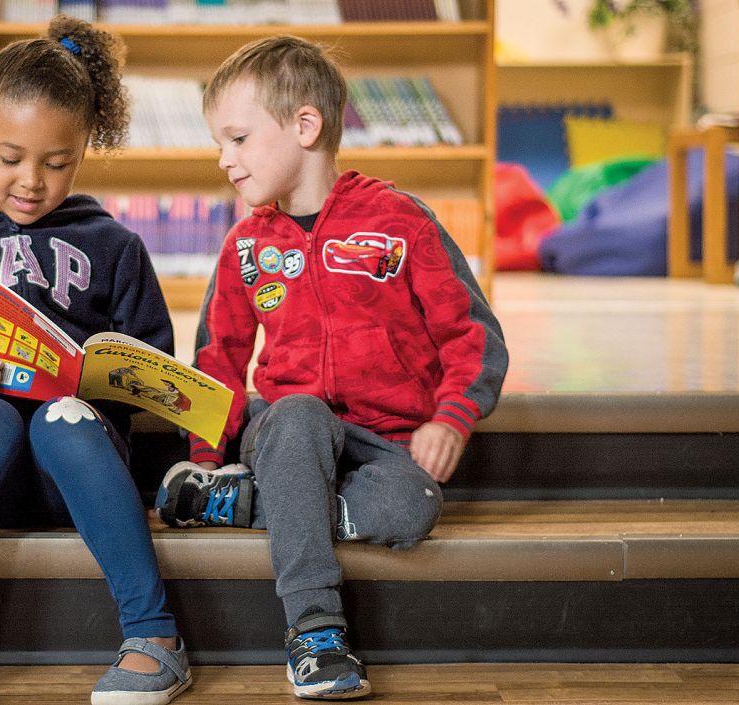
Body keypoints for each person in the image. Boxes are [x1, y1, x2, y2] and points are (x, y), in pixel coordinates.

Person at [154, 35, 508, 700]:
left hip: (386, 443)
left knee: (412, 506)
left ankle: (253, 508)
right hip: (284, 431)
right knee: (298, 414)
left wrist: (453, 416)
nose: (224, 160)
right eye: (218, 144)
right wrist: (207, 452)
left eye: (237, 139)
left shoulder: (402, 222)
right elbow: (218, 356)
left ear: (305, 125)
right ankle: (316, 630)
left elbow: (472, 333)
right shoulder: (247, 246)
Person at [0, 16, 191, 705]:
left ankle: (155, 634)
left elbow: (159, 364)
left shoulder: (113, 245)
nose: (31, 181)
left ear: (81, 153)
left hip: (79, 469)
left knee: (61, 416)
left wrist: (116, 376)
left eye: (57, 163)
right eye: (10, 157)